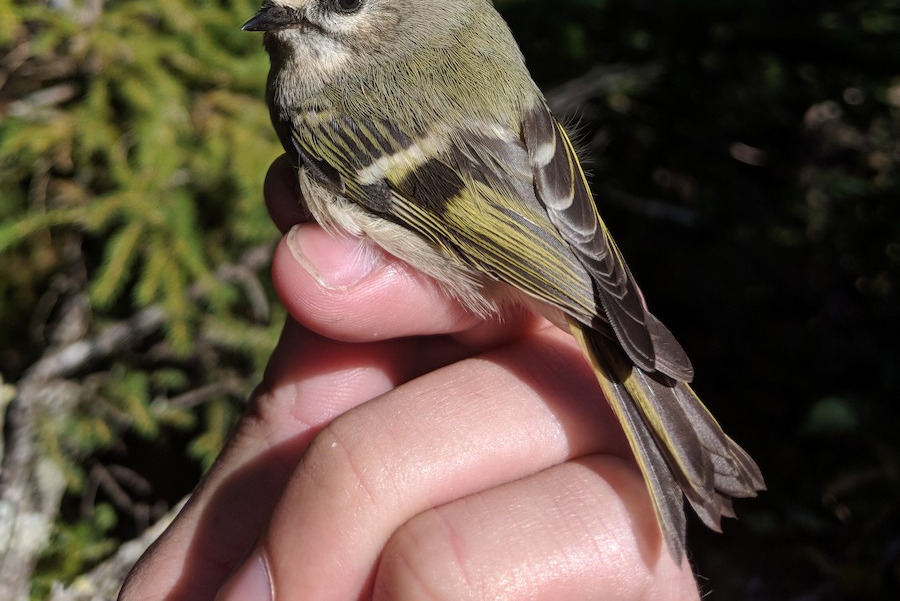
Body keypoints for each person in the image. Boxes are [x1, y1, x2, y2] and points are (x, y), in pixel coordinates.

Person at [119, 157, 701, 600]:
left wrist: (584, 291)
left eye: (343, 2)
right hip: (550, 223)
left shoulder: (331, 104)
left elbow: (458, 201)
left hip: (513, 245)